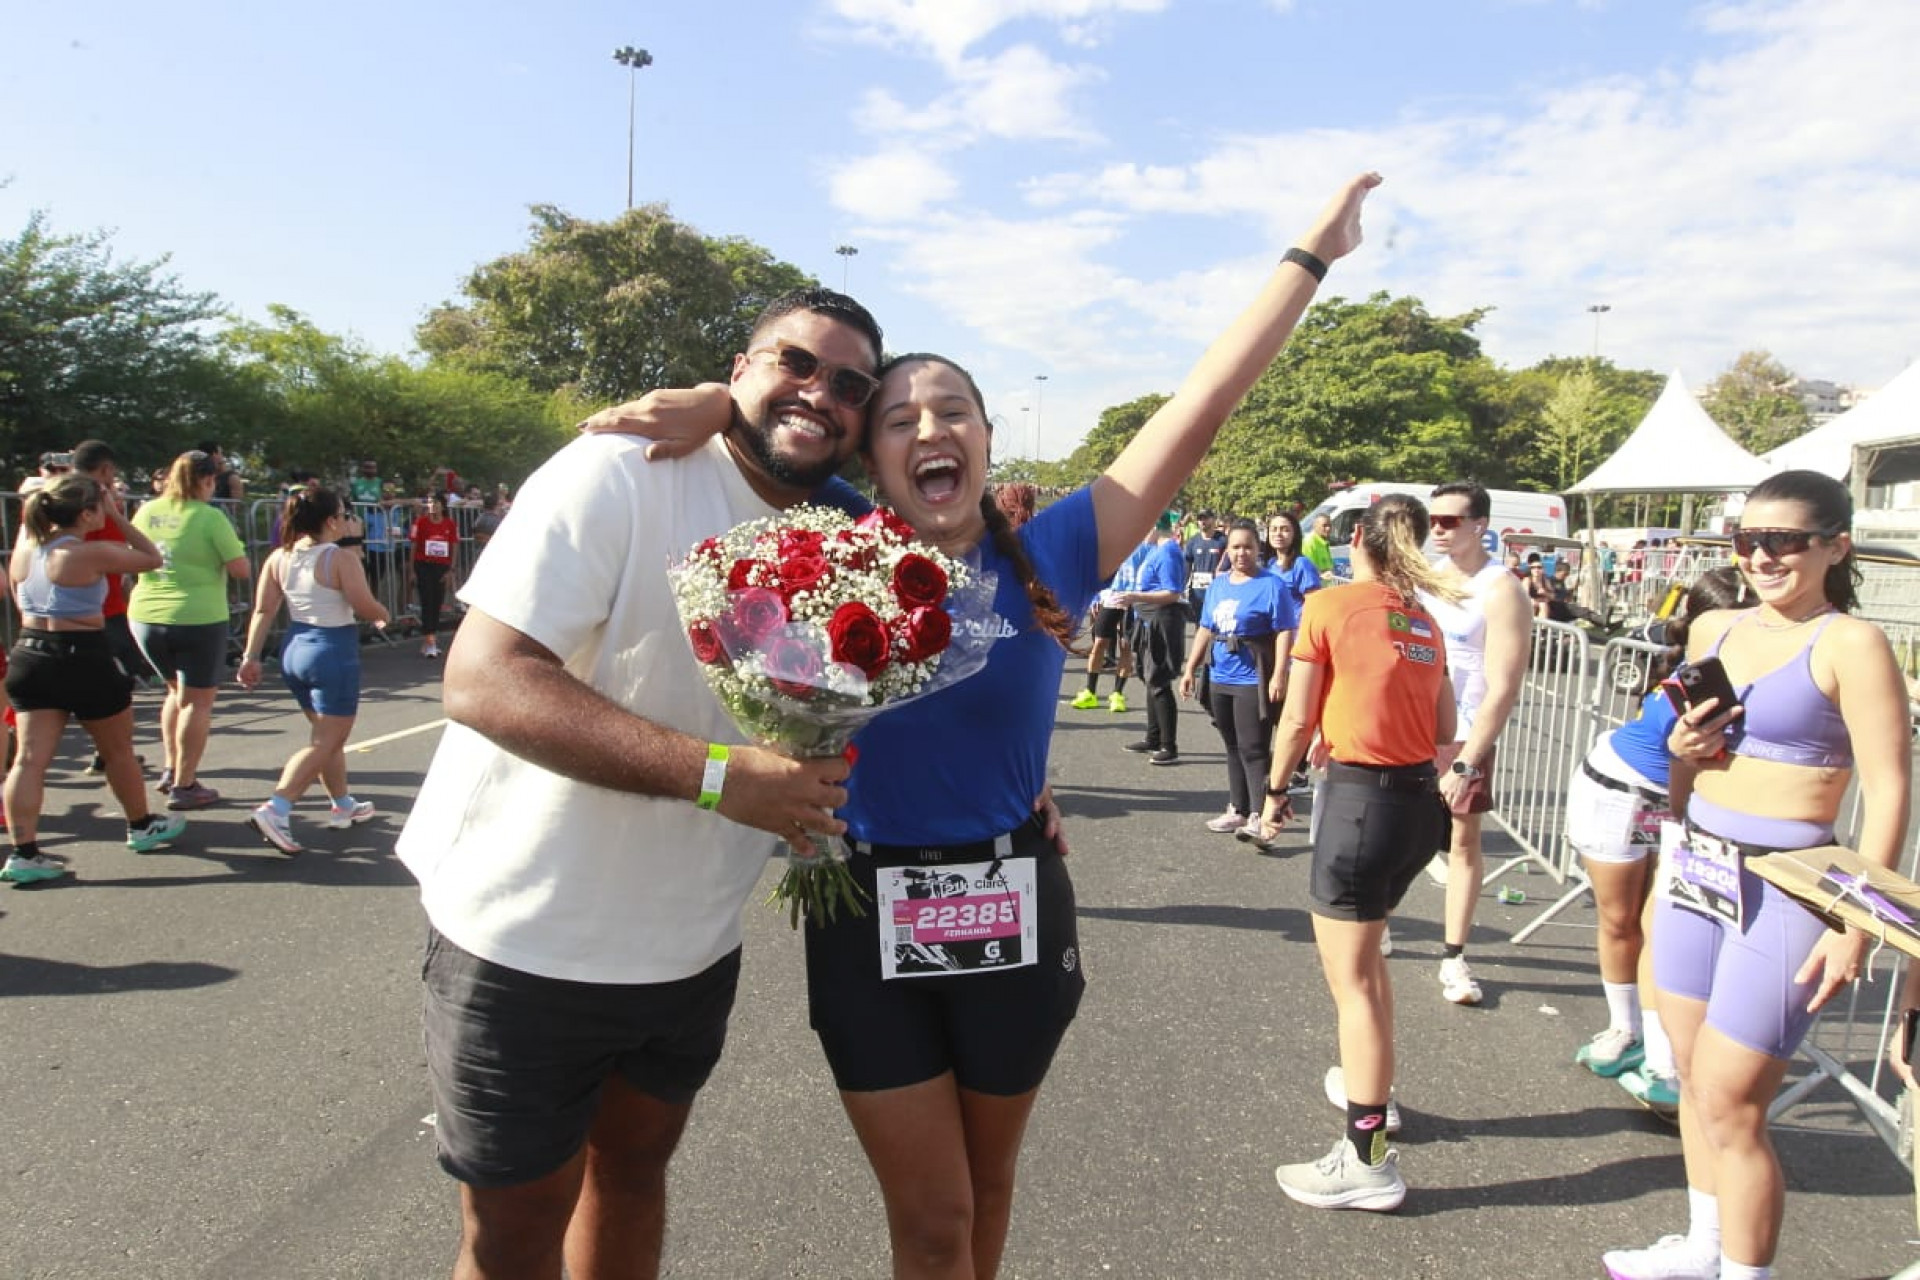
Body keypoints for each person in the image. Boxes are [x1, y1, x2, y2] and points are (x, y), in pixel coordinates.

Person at [605, 170, 1383, 1278]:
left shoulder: (1062, 548)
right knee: (928, 1217)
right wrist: (708, 400)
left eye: (953, 410)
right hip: (863, 902)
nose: (931, 428)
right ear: (871, 460)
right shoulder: (824, 534)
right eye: (902, 417)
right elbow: (768, 423)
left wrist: (1309, 256)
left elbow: (1200, 405)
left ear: (985, 440)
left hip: (1016, 895)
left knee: (985, 1194)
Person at [396, 287, 888, 1280]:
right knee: (516, 1226)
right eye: (793, 361)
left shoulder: (848, 537)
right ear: (740, 367)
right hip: (528, 933)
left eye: (848, 384)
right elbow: (484, 677)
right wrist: (719, 778)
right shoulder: (622, 467)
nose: (818, 391)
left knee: (633, 1173)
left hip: (689, 945)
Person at [1602, 470, 1910, 1280]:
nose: (1761, 556)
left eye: (1784, 540)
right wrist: (1678, 759)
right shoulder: (1714, 628)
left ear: (1835, 546)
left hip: (1791, 885)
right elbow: (1683, 761)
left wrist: (1857, 924)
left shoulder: (1851, 642)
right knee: (1694, 1078)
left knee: (1735, 1099)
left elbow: (1890, 788)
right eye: (1747, 540)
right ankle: (1704, 1246)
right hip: (1698, 863)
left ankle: (1746, 1272)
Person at [1248, 494, 1458, 1211]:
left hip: (1361, 805)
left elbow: (1299, 716)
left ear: (1357, 537)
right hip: (1415, 805)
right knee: (1366, 969)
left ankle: (1366, 1159)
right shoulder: (1423, 619)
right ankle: (1374, 1094)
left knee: (1354, 985)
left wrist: (1273, 793)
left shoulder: (1332, 607)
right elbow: (1445, 726)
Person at [1564, 569, 1752, 1120]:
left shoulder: (1739, 670)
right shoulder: (1702, 678)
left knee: (1660, 925)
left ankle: (1663, 1052)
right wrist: (1682, 820)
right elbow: (1681, 765)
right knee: (1622, 921)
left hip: (1663, 802)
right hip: (1620, 795)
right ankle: (1627, 1030)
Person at [4, 476, 187, 883]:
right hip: (81, 653)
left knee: (29, 759)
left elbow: (19, 596)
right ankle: (140, 825)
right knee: (118, 749)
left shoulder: (25, 549)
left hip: (30, 651)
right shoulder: (89, 552)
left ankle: (24, 851)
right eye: (98, 507)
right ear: (86, 513)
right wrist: (118, 516)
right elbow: (151, 557)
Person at [1417, 480, 1532, 1006]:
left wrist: (1466, 760)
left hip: (1464, 731)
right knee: (1401, 832)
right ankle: (1385, 923)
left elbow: (1504, 685)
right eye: (1432, 520)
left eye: (1449, 521)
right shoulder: (1427, 578)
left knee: (1462, 843)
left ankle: (1454, 957)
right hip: (1414, 724)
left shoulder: (1500, 587)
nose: (1436, 529)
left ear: (1479, 524)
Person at [236, 487, 392, 855]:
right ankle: (277, 807)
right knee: (327, 739)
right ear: (329, 521)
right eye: (342, 514)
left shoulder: (279, 557)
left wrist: (250, 656)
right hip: (331, 651)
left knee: (327, 736)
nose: (346, 520)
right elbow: (363, 603)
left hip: (295, 648)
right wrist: (383, 614)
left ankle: (342, 803)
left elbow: (262, 610)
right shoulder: (339, 558)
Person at [129, 450, 252, 811]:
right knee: (198, 702)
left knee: (175, 694)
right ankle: (185, 783)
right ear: (207, 480)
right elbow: (241, 568)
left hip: (147, 615)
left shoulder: (147, 511)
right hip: (196, 616)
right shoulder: (208, 516)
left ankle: (171, 769)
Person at [1180, 519, 1296, 837]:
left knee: (1253, 746)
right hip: (1220, 673)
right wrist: (1191, 668)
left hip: (1251, 677)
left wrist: (1279, 674)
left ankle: (1260, 813)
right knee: (1231, 745)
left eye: (1248, 546)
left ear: (1259, 549)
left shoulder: (1271, 585)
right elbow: (1206, 627)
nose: (1241, 552)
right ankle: (1238, 808)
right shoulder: (1219, 585)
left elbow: (1285, 629)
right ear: (1226, 550)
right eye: (1235, 547)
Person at [1116, 514, 1190, 765]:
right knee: (1150, 678)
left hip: (1162, 620)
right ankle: (1153, 737)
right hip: (1147, 619)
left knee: (1159, 680)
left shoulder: (1168, 551)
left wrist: (1133, 595)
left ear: (1156, 527)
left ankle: (1169, 745)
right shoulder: (1154, 550)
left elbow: (1172, 593)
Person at [409, 494, 460, 659]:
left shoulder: (450, 524)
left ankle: (429, 639)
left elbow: (454, 546)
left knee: (437, 602)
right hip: (423, 565)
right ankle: (430, 641)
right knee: (427, 601)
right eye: (430, 502)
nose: (432, 505)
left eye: (436, 503)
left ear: (442, 506)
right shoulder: (421, 522)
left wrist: (451, 570)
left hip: (441, 567)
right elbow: (414, 546)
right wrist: (412, 570)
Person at [1264, 510, 1324, 614]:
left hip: (1296, 627)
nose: (1278, 534)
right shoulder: (1270, 564)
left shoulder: (1301, 564)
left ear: (1294, 534)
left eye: (1285, 530)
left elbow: (1314, 603)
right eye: (1273, 529)